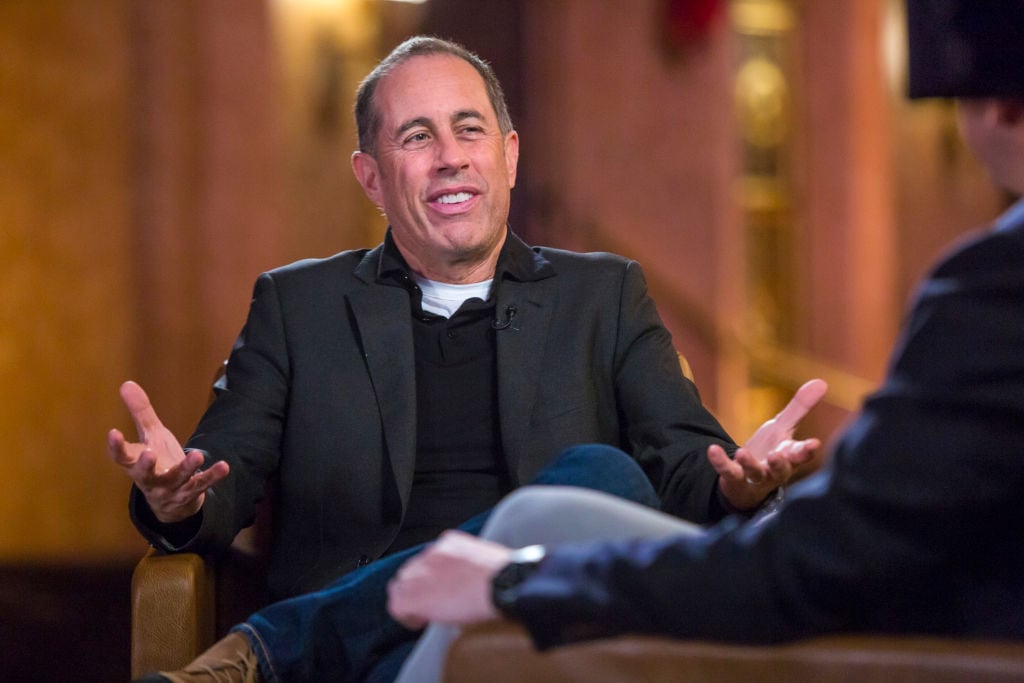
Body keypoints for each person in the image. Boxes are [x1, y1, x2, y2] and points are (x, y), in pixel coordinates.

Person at [118, 36, 826, 682]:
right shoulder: (298, 305)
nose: (449, 155)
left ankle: (274, 648)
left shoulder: (603, 295)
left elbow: (686, 473)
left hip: (545, 643)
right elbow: (221, 474)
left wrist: (741, 488)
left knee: (604, 476)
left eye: (468, 129)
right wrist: (181, 498)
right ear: (371, 177)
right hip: (379, 663)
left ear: (509, 156)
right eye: (417, 136)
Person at [385, 4, 1024, 680]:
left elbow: (813, 565)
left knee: (533, 529)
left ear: (1001, 105)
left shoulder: (999, 282)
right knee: (543, 512)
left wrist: (517, 583)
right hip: (918, 603)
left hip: (923, 642)